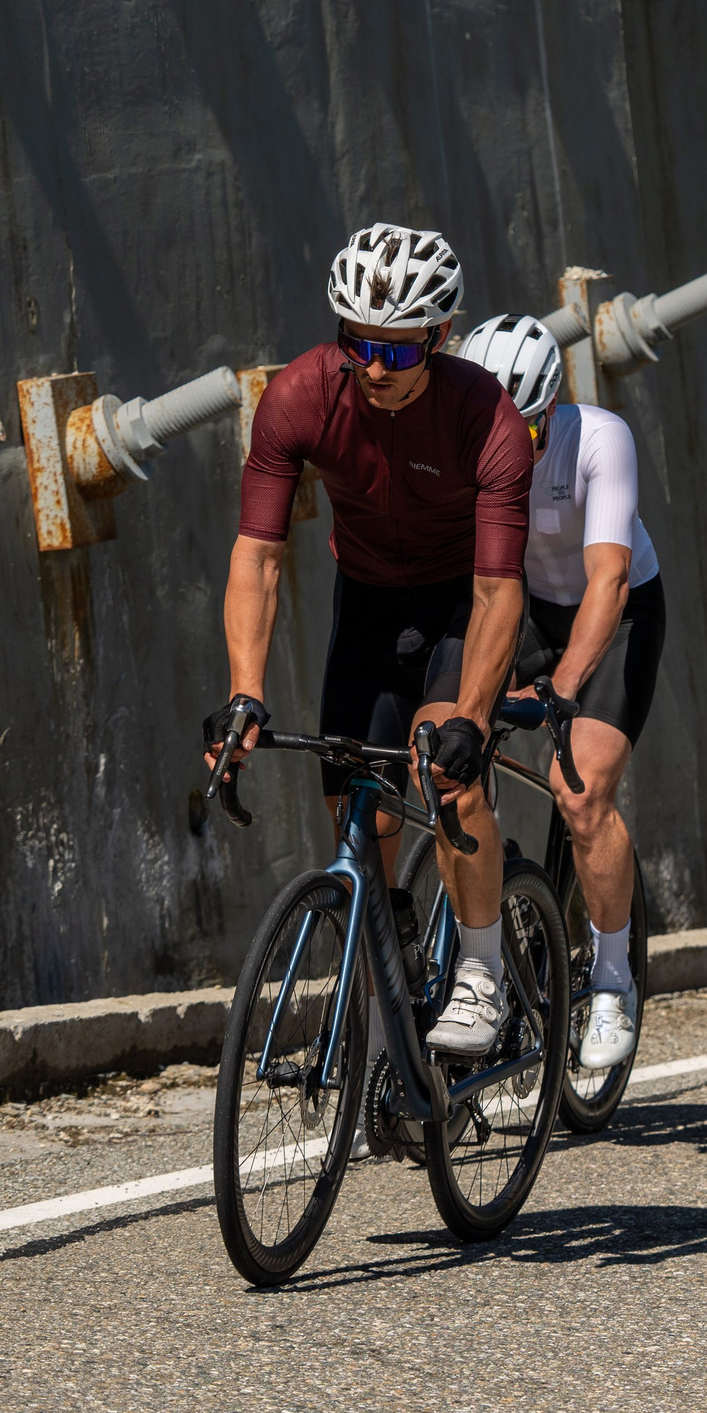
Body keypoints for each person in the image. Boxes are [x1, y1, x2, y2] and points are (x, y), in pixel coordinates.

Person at [209, 224, 534, 1058]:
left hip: (462, 603)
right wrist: (246, 691)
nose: (375, 368)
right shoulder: (299, 396)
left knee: (448, 776)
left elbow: (499, 589)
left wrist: (472, 715)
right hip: (367, 601)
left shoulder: (485, 416)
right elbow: (258, 555)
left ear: (441, 336)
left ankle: (483, 971)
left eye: (397, 351)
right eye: (357, 344)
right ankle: (390, 980)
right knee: (352, 808)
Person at [455, 314, 668, 1071]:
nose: (507, 448)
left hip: (616, 613)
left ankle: (612, 980)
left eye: (523, 431)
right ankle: (496, 921)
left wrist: (563, 688)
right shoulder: (461, 443)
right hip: (522, 608)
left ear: (550, 410)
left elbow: (609, 578)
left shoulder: (601, 439)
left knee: (579, 793)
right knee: (452, 757)